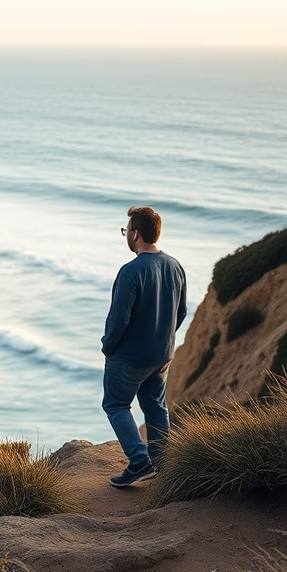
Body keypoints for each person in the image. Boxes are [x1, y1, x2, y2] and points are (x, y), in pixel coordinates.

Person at [101, 206, 187, 487]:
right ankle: (164, 467)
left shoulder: (131, 271)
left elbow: (119, 319)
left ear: (136, 234)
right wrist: (161, 337)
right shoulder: (175, 266)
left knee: (116, 404)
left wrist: (108, 346)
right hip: (162, 355)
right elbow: (181, 312)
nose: (126, 235)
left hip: (130, 356)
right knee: (155, 406)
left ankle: (139, 462)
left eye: (127, 231)